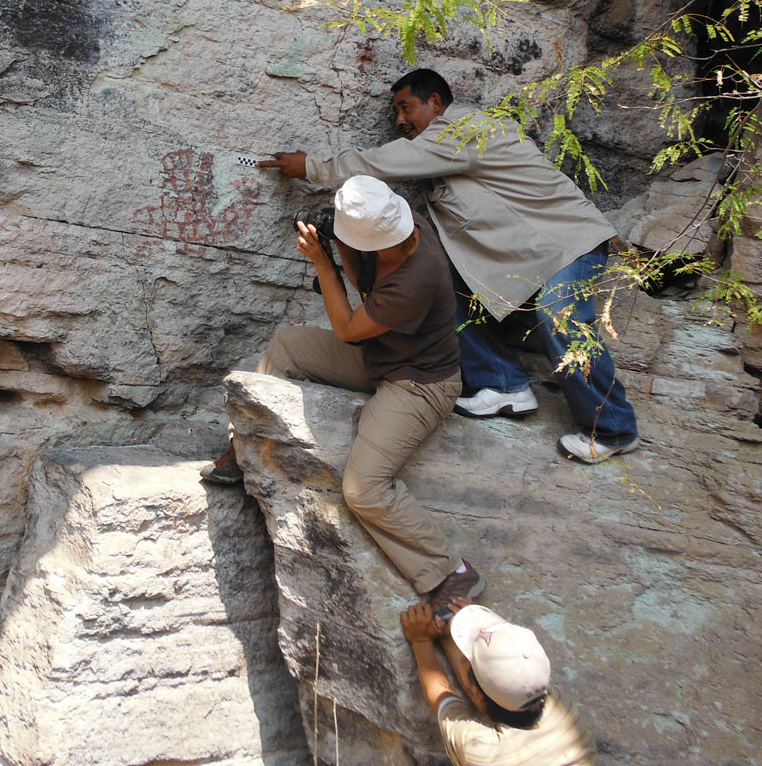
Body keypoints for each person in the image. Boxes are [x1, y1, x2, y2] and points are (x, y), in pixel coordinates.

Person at [256, 68, 640, 465]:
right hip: (528, 255)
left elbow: (390, 161)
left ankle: (614, 429)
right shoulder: (443, 154)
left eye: (406, 108)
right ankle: (503, 384)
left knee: (558, 315)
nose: (400, 122)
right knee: (443, 280)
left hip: (570, 243)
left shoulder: (470, 129)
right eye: (396, 114)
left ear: (436, 102)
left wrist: (314, 167)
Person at [201, 175, 484, 617]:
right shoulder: (396, 233)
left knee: (364, 489)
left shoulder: (418, 277)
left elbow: (348, 328)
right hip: (379, 354)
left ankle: (449, 571)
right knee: (288, 344)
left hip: (417, 382)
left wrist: (322, 262)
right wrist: (336, 247)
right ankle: (246, 449)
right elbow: (364, 285)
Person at [401, 598, 598, 765]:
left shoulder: (479, 750)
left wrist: (421, 641)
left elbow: (441, 693)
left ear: (477, 696)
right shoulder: (564, 712)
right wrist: (467, 628)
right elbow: (506, 679)